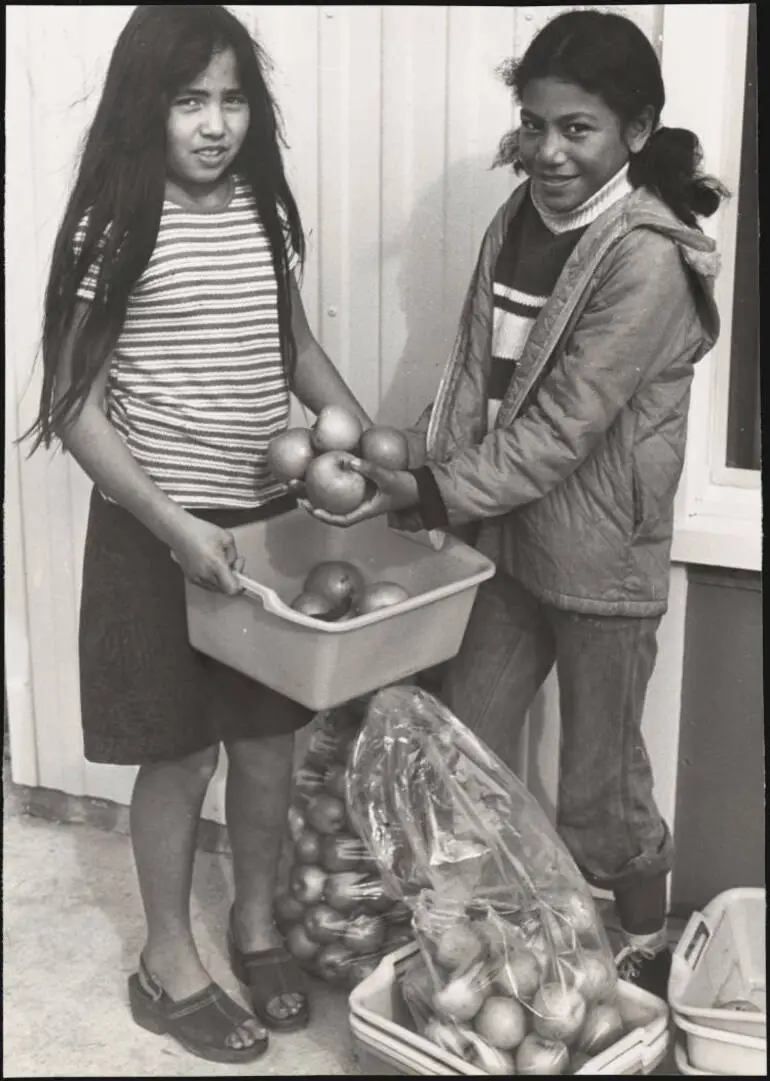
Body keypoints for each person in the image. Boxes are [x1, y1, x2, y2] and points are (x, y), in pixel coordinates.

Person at [304, 9, 727, 998]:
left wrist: (434, 488)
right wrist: (412, 457)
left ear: (633, 129)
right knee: (466, 752)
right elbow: (478, 381)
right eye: (532, 124)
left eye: (575, 128)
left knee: (597, 788)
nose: (546, 151)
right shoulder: (517, 218)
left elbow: (559, 428)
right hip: (503, 539)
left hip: (596, 558)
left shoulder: (646, 258)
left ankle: (644, 937)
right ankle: (491, 942)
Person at [22, 4, 372, 1064]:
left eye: (230, 100)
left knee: (267, 745)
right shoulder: (114, 227)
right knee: (176, 756)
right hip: (154, 534)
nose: (214, 124)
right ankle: (165, 962)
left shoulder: (260, 210)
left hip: (259, 530)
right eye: (189, 100)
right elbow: (76, 409)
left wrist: (354, 445)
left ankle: (255, 925)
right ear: (147, 107)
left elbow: (291, 342)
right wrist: (174, 525)